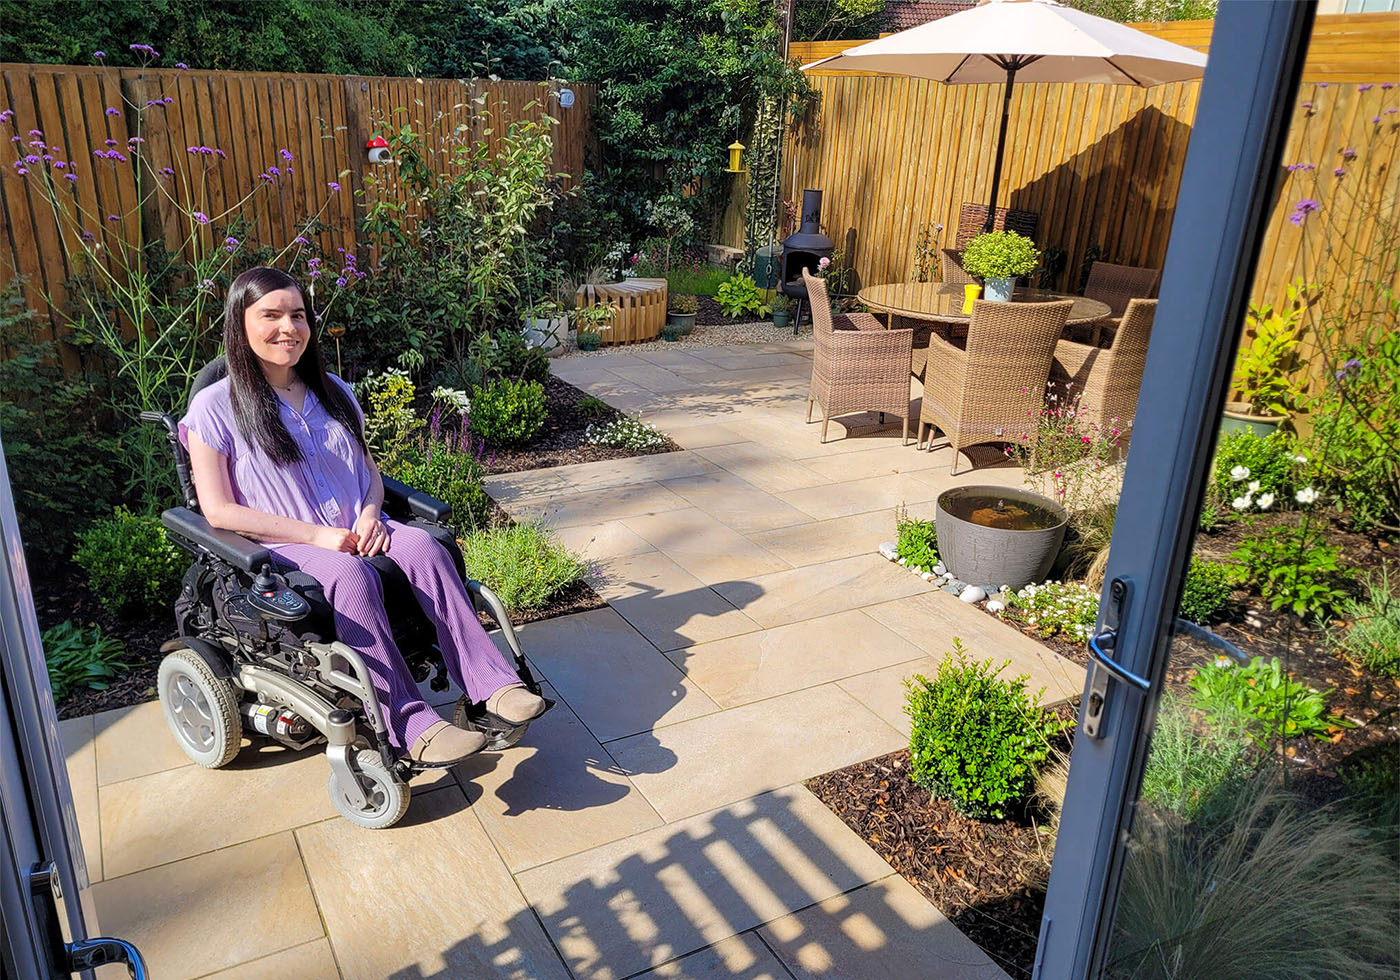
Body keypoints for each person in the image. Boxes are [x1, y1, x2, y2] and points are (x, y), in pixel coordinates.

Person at [180, 266, 543, 765]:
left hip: (359, 529)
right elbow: (218, 509)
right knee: (349, 574)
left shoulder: (332, 391)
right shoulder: (214, 408)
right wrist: (318, 537)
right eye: (271, 315)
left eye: (298, 315)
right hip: (282, 548)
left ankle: (492, 685)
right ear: (240, 324)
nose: (288, 328)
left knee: (424, 546)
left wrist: (372, 513)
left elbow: (370, 471)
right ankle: (409, 725)